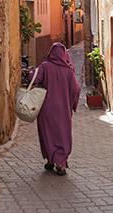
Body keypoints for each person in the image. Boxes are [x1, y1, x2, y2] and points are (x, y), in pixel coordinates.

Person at [32, 42, 81, 175]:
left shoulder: (45, 66)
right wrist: (72, 104)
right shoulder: (69, 70)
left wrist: (30, 73)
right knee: (62, 134)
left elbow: (34, 79)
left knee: (47, 134)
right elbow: (76, 89)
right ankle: (61, 163)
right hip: (63, 111)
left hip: (46, 109)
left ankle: (50, 160)